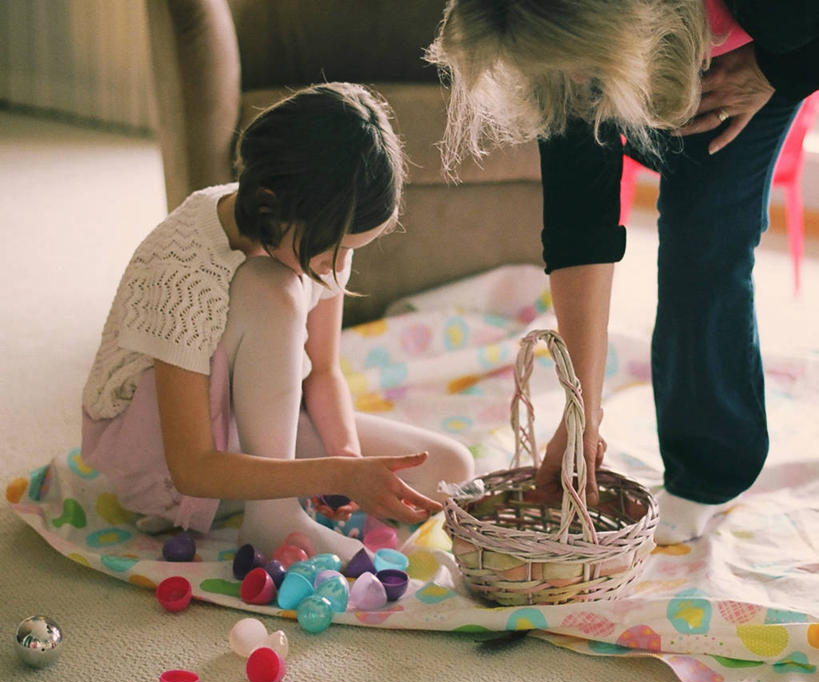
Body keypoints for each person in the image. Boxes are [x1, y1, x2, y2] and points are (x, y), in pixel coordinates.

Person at [427, 0, 819, 542]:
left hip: (781, 44)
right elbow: (578, 223)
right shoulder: (552, 44)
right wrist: (580, 411)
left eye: (587, 74)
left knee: (703, 234)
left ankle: (708, 472)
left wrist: (775, 71)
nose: (583, 88)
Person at [81, 82, 474, 562]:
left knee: (451, 469)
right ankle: (272, 518)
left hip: (253, 427)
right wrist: (329, 475)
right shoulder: (184, 266)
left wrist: (346, 458)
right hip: (161, 453)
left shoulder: (315, 232)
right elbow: (192, 468)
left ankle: (274, 497)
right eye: (337, 248)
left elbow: (324, 372)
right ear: (270, 203)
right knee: (274, 288)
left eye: (351, 250)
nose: (337, 267)